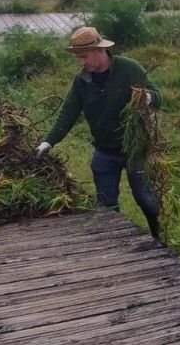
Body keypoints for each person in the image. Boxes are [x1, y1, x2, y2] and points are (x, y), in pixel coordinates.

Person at [36, 26, 164, 239]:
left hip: (135, 149)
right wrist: (48, 142)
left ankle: (159, 238)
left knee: (146, 199)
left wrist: (148, 97)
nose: (81, 62)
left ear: (99, 51)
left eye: (84, 57)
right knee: (106, 205)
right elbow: (68, 114)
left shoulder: (130, 69)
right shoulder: (82, 81)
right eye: (78, 58)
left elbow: (158, 96)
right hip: (104, 151)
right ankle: (115, 244)